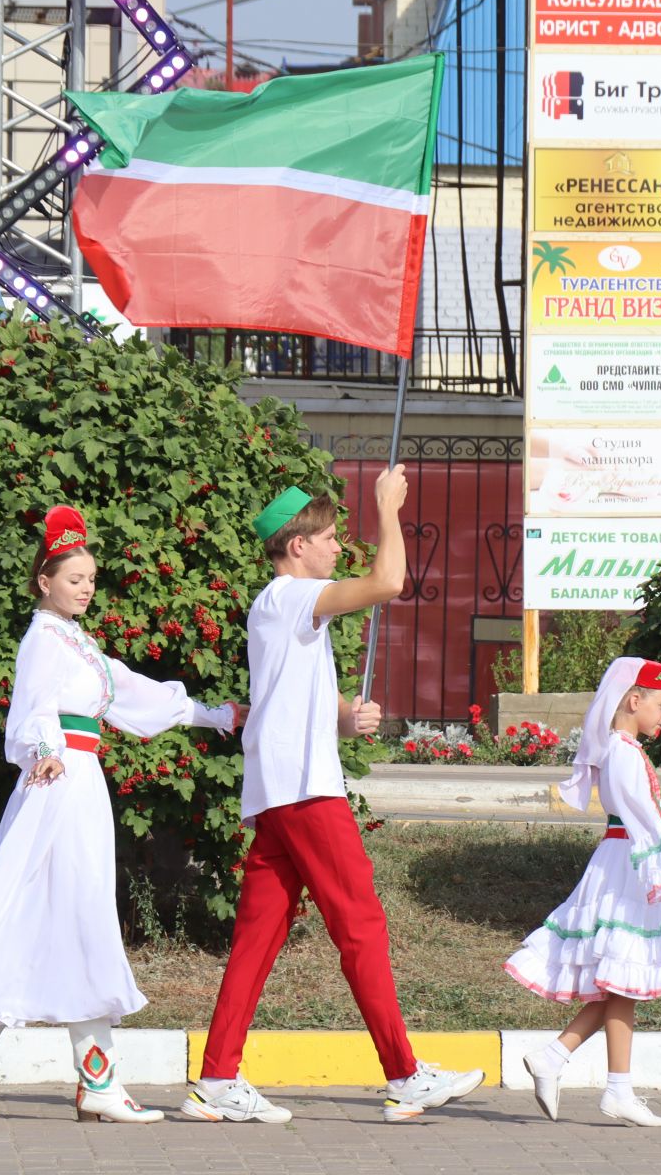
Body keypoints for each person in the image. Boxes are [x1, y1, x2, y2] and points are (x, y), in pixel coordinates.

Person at [0, 505, 243, 1123]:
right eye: (76, 578)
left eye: (92, 579)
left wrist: (216, 715)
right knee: (74, 916)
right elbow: (32, 709)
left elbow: (128, 693)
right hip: (60, 782)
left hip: (79, 781)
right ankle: (84, 1083)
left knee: (63, 919)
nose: (87, 587)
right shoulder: (43, 639)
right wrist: (43, 750)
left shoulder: (76, 641)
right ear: (44, 581)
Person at [184, 469, 486, 1124]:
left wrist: (347, 715)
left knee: (258, 936)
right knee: (360, 926)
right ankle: (404, 1075)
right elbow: (388, 584)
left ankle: (216, 1077)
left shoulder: (278, 606)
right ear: (296, 547)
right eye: (326, 538)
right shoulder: (293, 597)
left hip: (280, 791)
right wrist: (386, 508)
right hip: (305, 791)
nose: (335, 549)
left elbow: (291, 696)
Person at [504, 657, 661, 1127]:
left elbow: (644, 819)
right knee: (623, 976)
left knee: (622, 981)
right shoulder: (621, 752)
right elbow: (643, 816)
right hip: (626, 865)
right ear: (634, 700)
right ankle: (606, 1083)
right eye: (660, 705)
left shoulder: (624, 749)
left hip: (628, 860)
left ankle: (561, 1060)